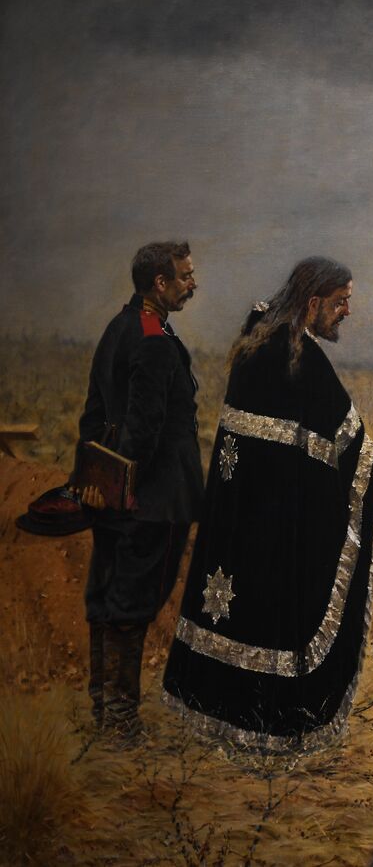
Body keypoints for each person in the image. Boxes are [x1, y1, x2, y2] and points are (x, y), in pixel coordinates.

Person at [161, 256, 373, 756]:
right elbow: (348, 444)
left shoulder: (259, 336)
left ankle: (216, 710)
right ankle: (266, 723)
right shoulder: (300, 359)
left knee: (235, 610)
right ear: (313, 303)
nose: (346, 311)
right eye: (341, 302)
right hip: (274, 520)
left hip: (242, 515)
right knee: (274, 611)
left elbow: (319, 441)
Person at [77, 240, 202, 744]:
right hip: (151, 499)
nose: (193, 283)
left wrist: (97, 482)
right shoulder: (152, 337)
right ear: (160, 284)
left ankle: (104, 711)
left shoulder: (117, 328)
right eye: (186, 277)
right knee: (131, 603)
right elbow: (146, 431)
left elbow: (90, 416)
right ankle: (121, 722)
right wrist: (132, 486)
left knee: (107, 595)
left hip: (108, 490)